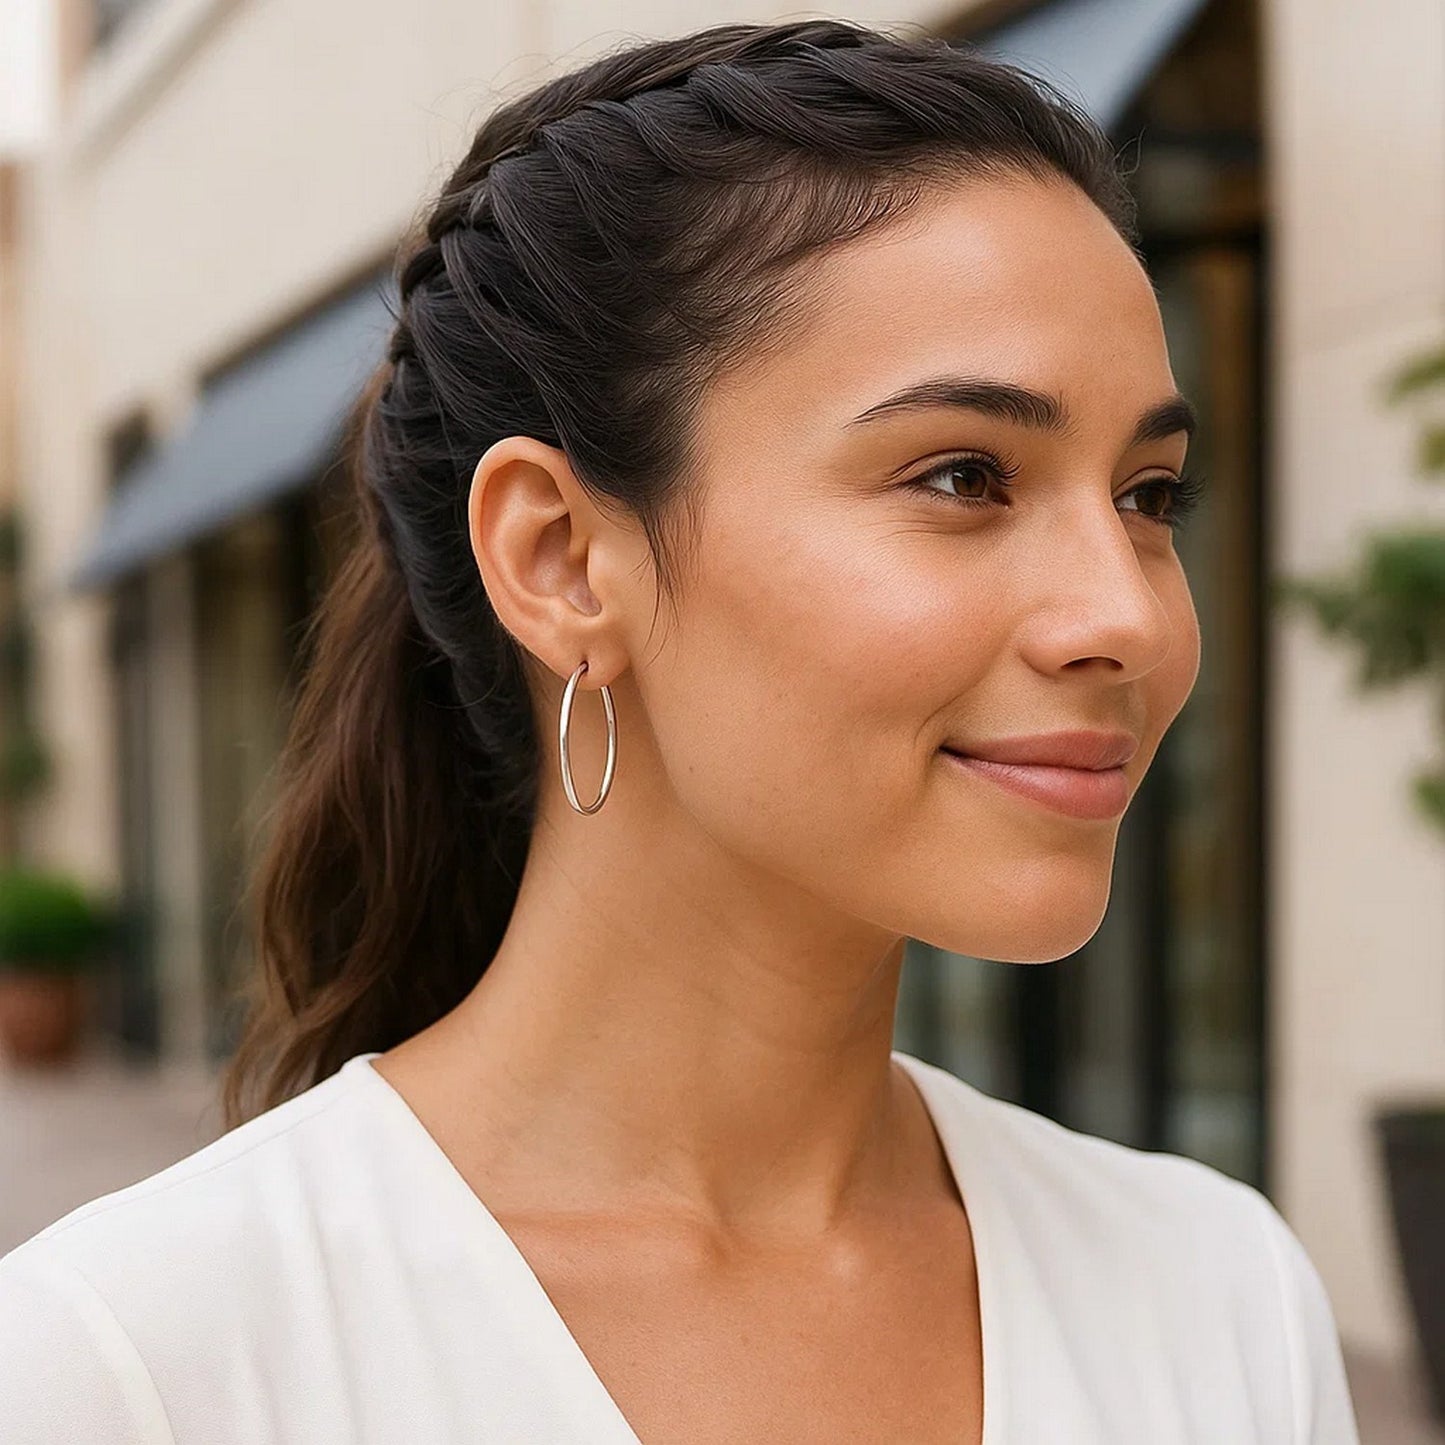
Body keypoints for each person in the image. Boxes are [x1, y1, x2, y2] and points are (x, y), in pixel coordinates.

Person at [0, 18, 1360, 1444]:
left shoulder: (1217, 1296)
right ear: (562, 560)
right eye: (964, 475)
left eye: (1148, 496)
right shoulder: (134, 1366)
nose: (1130, 618)